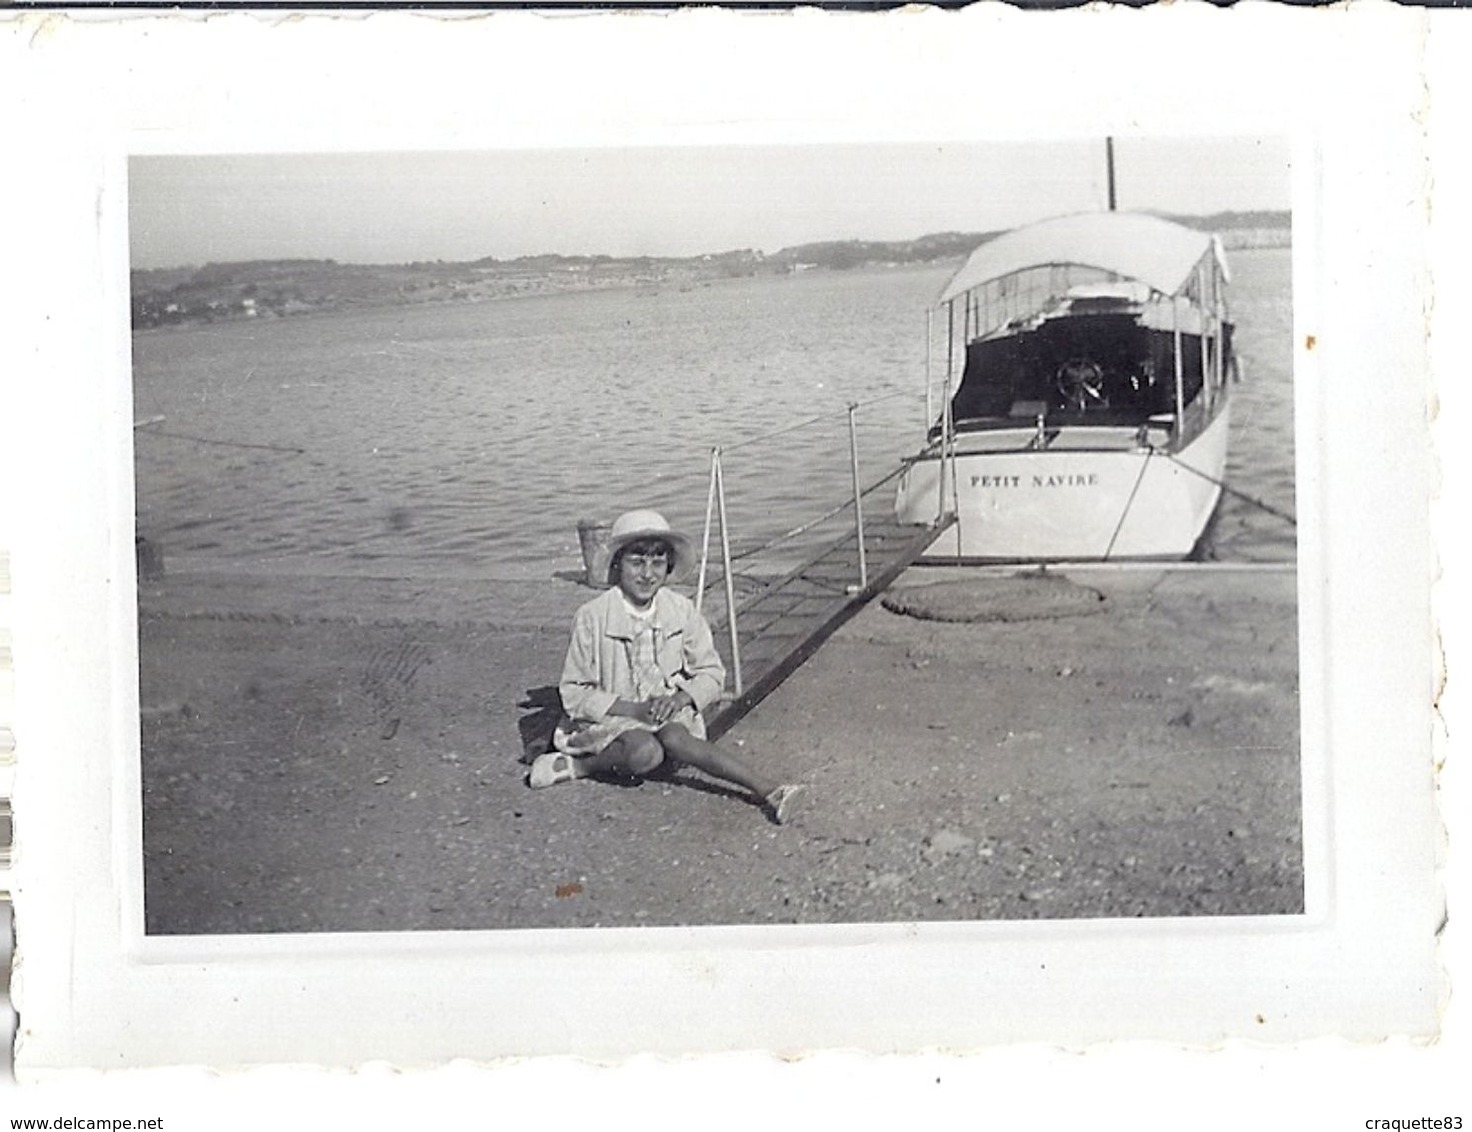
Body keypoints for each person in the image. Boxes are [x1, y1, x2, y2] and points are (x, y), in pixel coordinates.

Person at [528, 509, 804, 824]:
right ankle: (580, 766)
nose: (647, 573)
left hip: (664, 710)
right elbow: (574, 691)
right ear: (618, 564)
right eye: (637, 561)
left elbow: (712, 673)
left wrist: (680, 699)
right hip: (615, 716)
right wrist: (632, 710)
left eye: (657, 562)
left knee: (676, 739)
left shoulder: (681, 610)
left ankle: (769, 789)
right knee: (646, 752)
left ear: (668, 567)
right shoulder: (593, 616)